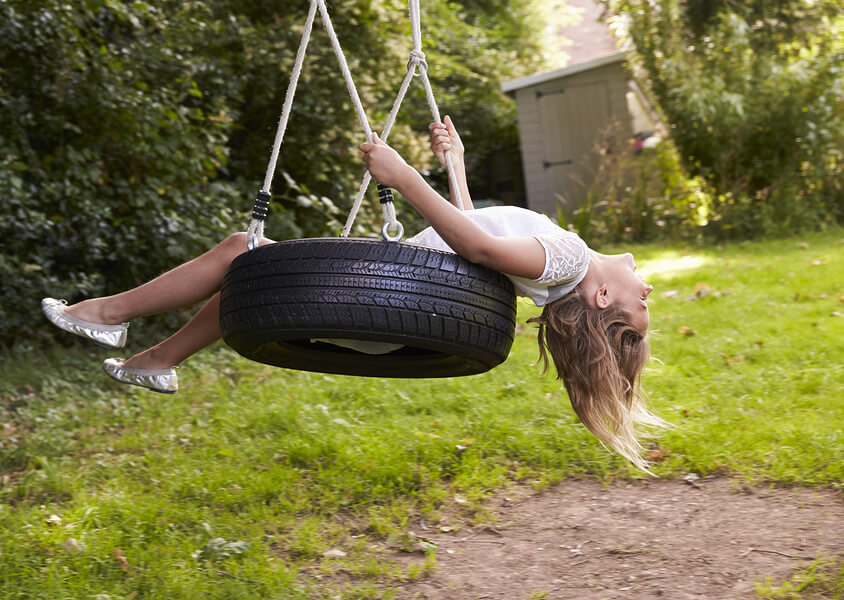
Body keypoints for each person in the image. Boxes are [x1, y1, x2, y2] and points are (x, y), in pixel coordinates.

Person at [42, 116, 663, 469]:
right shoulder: (551, 271)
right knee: (249, 269)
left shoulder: (569, 258)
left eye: (644, 304)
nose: (650, 289)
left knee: (242, 253)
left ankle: (109, 314)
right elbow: (478, 235)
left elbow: (476, 250)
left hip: (382, 303)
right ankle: (158, 359)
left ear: (603, 300)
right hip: (382, 320)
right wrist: (456, 167)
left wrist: (405, 175)